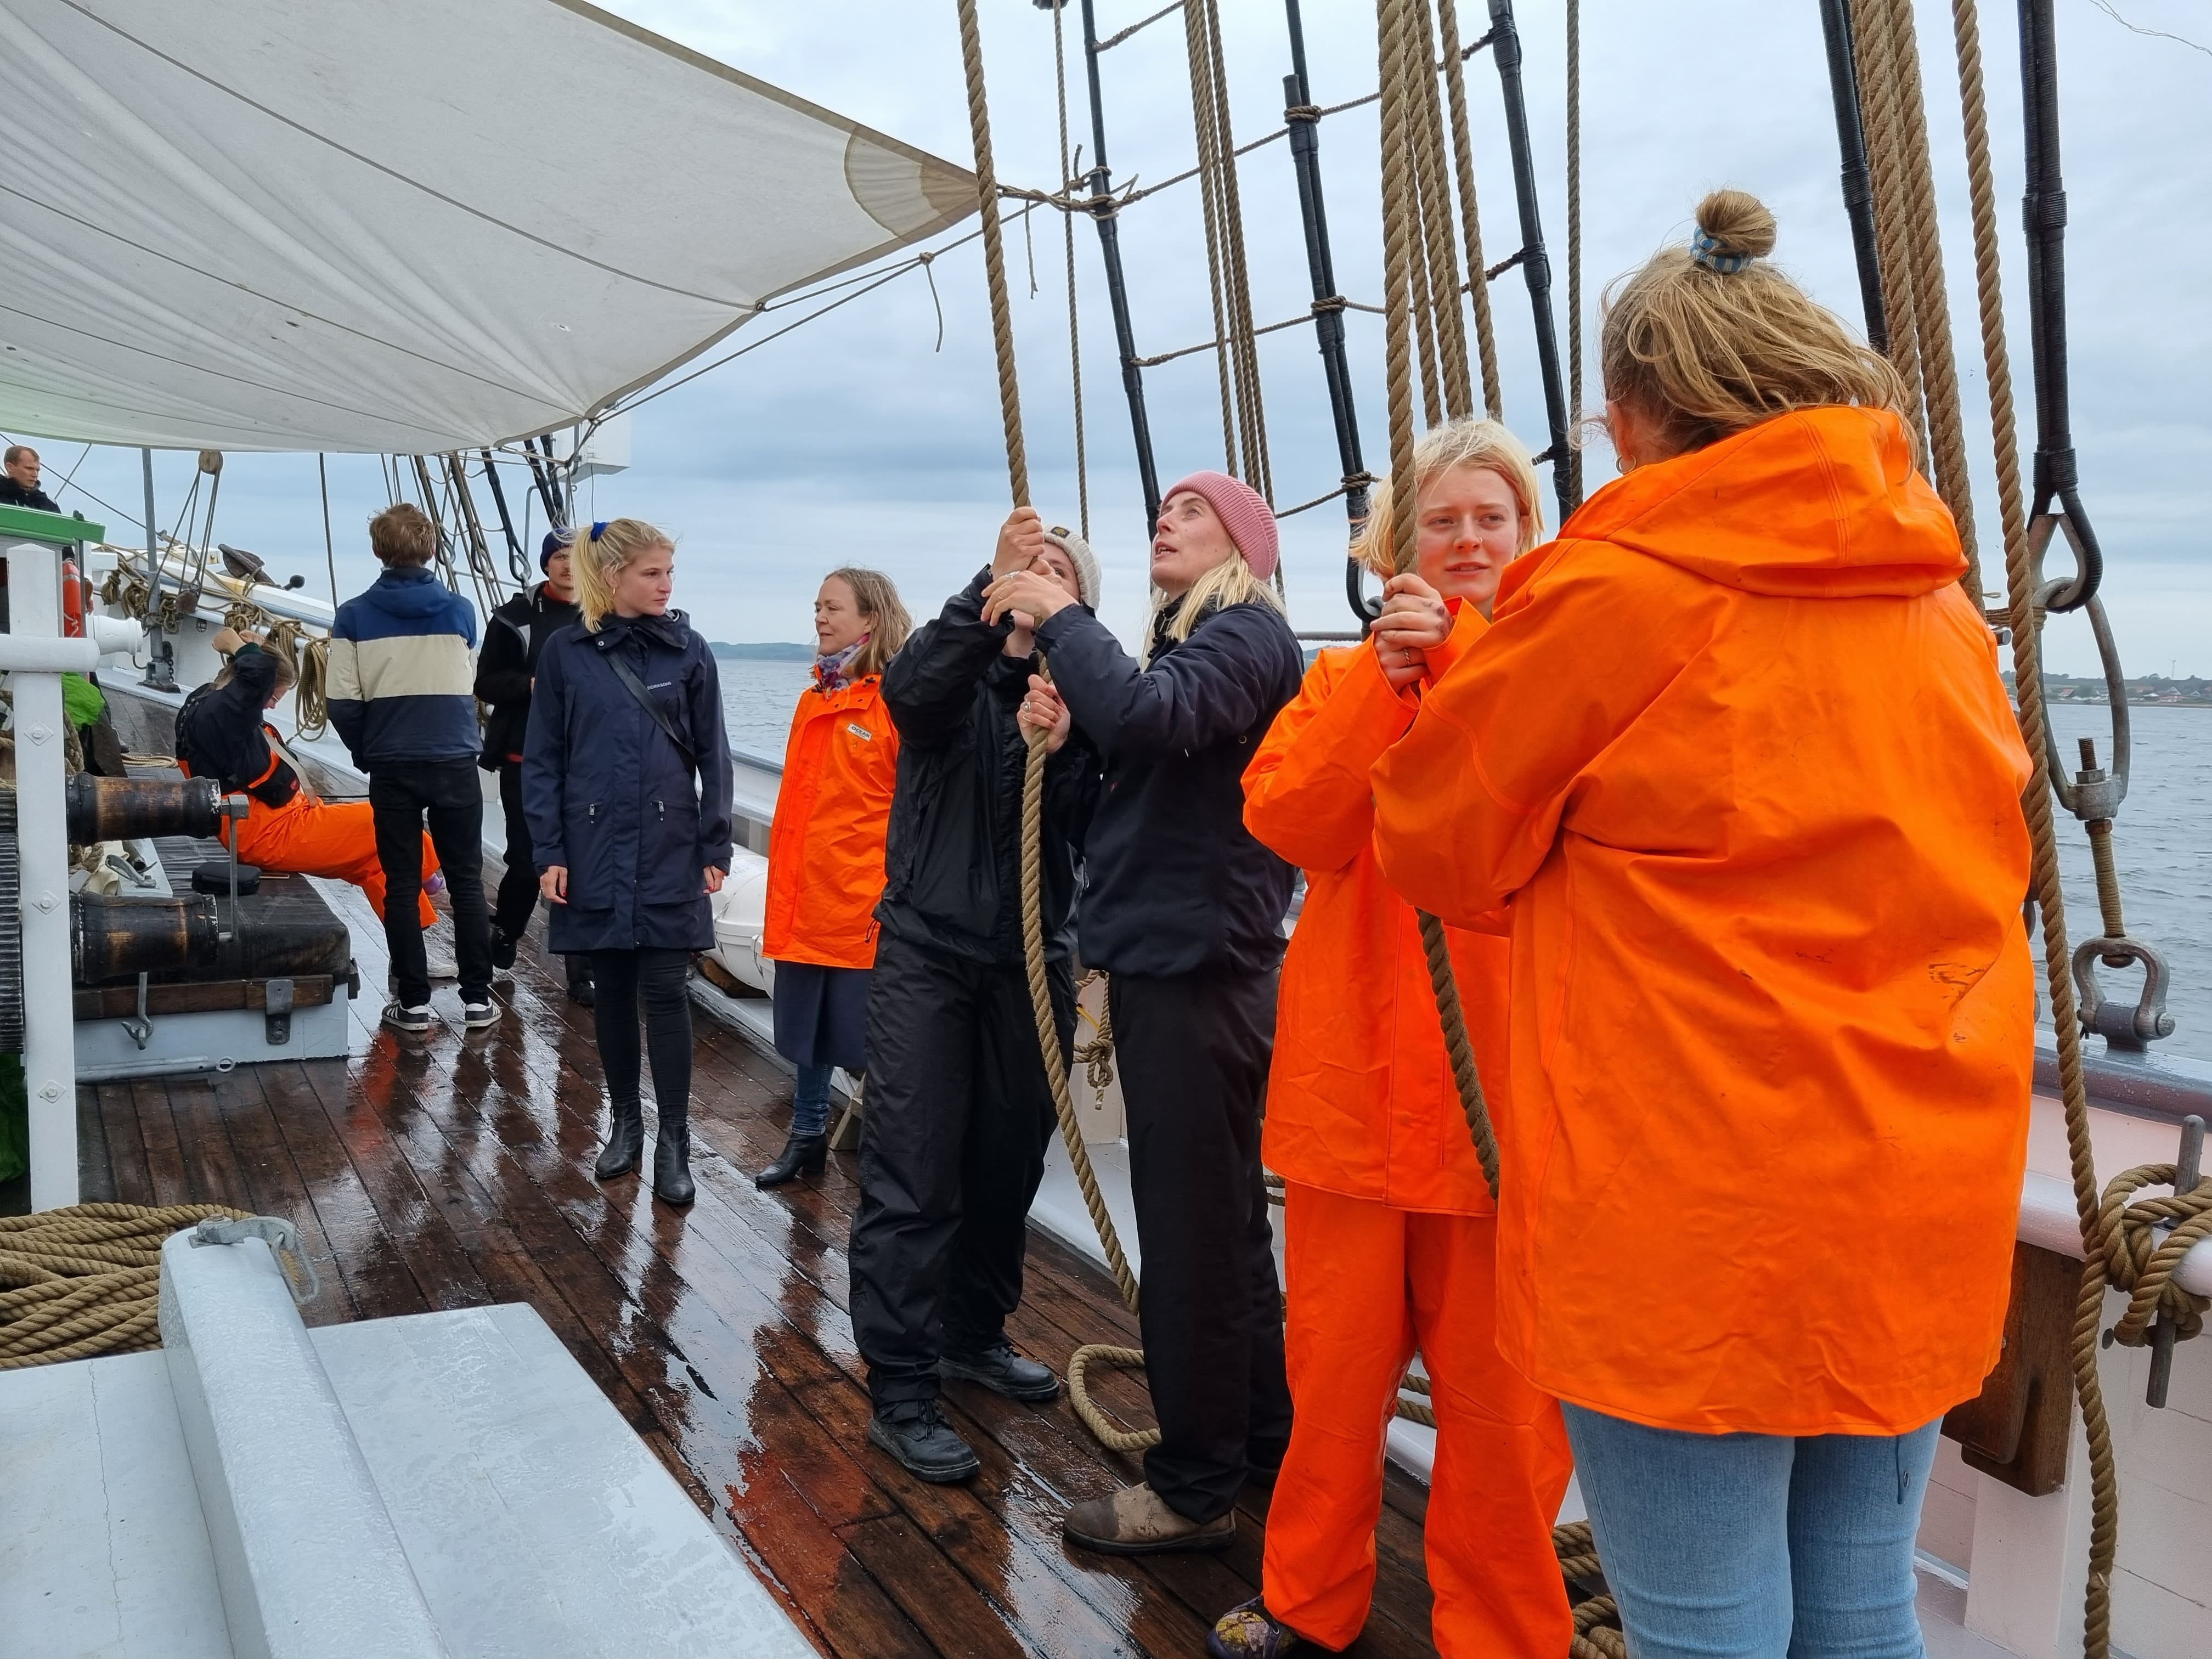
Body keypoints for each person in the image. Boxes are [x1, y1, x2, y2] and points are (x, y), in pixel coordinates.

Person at [1370, 191, 2034, 1659]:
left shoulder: (1616, 594)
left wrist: (1443, 688)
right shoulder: (1940, 608)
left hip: (1687, 1223)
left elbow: (1439, 844)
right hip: (1911, 1199)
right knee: (1862, 1607)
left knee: (1706, 1630)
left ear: (1632, 415)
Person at [1220, 421, 1572, 1658]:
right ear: (1393, 544)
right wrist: (1384, 681)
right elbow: (1292, 821)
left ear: (1525, 535)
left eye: (1491, 518)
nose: (1467, 539)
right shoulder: (1336, 685)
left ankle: (1506, 1638)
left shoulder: (1558, 677)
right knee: (1329, 1391)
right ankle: (1306, 1603)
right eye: (1443, 520)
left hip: (1504, 1123)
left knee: (1506, 1423)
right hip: (1353, 1109)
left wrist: (1458, 660)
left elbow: (1524, 796)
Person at [981, 471, 1302, 1556]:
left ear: (1244, 548)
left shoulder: (1247, 635)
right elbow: (1117, 801)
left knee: (1189, 1239)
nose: (1168, 517)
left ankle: (1195, 1486)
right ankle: (1261, 1444)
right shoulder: (1186, 651)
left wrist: (1059, 615)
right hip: (1175, 967)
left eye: (1193, 510)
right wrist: (1068, 742)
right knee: (1221, 1232)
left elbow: (1148, 719)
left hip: (1197, 977)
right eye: (1164, 507)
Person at [845, 511, 1104, 1482]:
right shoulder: (951, 677)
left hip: (1032, 962)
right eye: (1028, 568)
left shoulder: (1079, 698)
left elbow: (1096, 820)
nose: (1040, 577)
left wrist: (1069, 741)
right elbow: (910, 695)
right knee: (912, 1170)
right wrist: (980, 592)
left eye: (1058, 573)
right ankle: (903, 1386)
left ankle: (971, 1332)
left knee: (1006, 1163)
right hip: (928, 953)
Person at [525, 518, 733, 1207]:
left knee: (668, 991)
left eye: (669, 572)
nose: (666, 585)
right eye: (652, 573)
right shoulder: (565, 653)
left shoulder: (690, 652)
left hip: (670, 846)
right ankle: (626, 1125)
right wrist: (549, 850)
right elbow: (544, 759)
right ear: (612, 576)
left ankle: (674, 1139)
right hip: (592, 848)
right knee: (611, 989)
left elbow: (715, 756)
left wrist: (715, 844)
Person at [759, 568, 909, 1178]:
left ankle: (892, 1162)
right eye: (817, 607)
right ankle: (807, 1136)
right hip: (805, 894)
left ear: (871, 618)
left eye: (833, 607)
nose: (819, 618)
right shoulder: (814, 699)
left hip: (861, 901)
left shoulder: (892, 702)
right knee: (808, 1031)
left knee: (869, 1042)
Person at [328, 501, 496, 1033]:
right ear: (432, 548)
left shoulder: (354, 616)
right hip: (454, 758)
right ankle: (477, 1000)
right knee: (466, 881)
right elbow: (466, 679)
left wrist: (368, 750)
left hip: (393, 762)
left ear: (378, 550)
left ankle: (415, 1004)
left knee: (401, 883)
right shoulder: (461, 611)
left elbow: (342, 703)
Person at [178, 625, 444, 929]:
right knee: (390, 820)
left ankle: (413, 936)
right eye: (273, 697)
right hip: (267, 834)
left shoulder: (212, 705)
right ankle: (429, 873)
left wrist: (257, 651)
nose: (272, 706)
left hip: (277, 820)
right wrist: (240, 648)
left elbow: (256, 677)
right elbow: (258, 675)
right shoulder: (223, 715)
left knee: (377, 863)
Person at [477, 527, 592, 1007]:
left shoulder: (603, 615)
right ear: (546, 564)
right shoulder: (514, 618)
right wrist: (531, 684)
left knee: (581, 863)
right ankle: (505, 932)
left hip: (585, 761)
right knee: (527, 860)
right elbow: (486, 683)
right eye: (559, 557)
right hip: (524, 757)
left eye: (575, 557)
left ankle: (582, 974)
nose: (567, 565)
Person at [0, 445, 60, 512]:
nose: (35, 474)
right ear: (10, 468)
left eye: (37, 470)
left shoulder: (49, 504)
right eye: (29, 469)